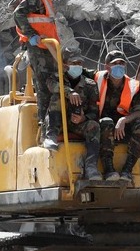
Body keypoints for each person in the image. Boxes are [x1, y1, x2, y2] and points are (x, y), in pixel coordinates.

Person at [14, 0, 61, 141]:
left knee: (51, 85)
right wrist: (31, 35)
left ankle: (52, 125)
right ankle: (45, 128)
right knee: (43, 87)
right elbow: (18, 14)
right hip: (37, 48)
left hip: (46, 47)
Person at [43, 49, 103, 179]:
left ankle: (91, 167)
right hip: (58, 121)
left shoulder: (90, 85)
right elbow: (52, 86)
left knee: (94, 126)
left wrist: (83, 118)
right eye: (73, 62)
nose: (77, 65)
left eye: (80, 63)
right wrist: (69, 92)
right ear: (65, 64)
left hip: (77, 123)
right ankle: (51, 136)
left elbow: (94, 112)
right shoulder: (55, 78)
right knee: (57, 97)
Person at [94, 50, 140, 184]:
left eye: (121, 63)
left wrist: (124, 120)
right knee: (107, 123)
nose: (119, 66)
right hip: (102, 128)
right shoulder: (97, 78)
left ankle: (127, 170)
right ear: (107, 66)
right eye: (115, 63)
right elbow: (71, 69)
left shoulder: (133, 86)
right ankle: (109, 169)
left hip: (122, 129)